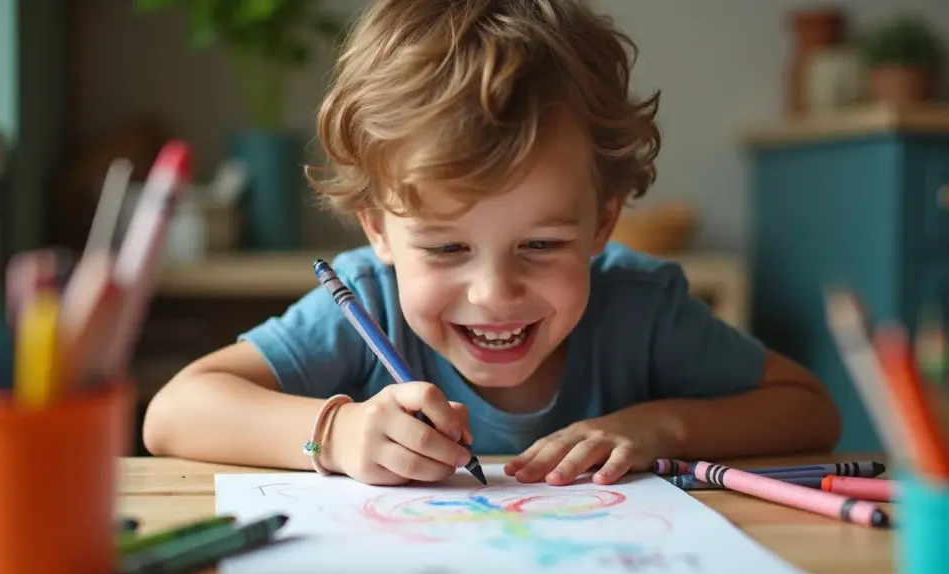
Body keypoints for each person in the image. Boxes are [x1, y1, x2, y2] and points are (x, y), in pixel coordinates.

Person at [143, 0, 840, 487]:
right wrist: (341, 433)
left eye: (540, 244)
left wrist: (661, 426)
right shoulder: (367, 304)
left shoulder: (640, 306)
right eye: (446, 249)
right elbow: (175, 411)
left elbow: (810, 410)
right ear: (377, 228)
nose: (494, 293)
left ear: (602, 222)